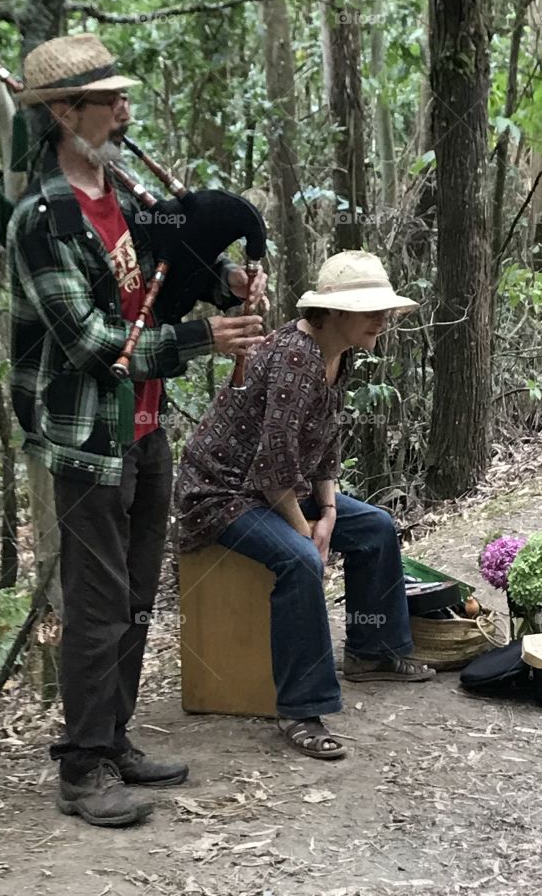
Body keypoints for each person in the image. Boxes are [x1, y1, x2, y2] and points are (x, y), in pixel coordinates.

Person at [8, 32, 265, 827]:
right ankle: (81, 768)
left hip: (142, 422)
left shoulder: (122, 194)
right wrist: (199, 341)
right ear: (62, 112)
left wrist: (225, 282)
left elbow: (163, 272)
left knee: (138, 594)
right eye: (107, 100)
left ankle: (112, 739)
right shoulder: (41, 220)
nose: (125, 111)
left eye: (123, 97)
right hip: (88, 434)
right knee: (97, 601)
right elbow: (88, 342)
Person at [174, 251, 435, 761]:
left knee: (375, 527)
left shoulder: (343, 352)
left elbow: (324, 441)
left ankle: (373, 651)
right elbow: (274, 461)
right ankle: (301, 708)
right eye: (369, 310)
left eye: (383, 310)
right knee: (298, 561)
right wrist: (305, 532)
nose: (382, 321)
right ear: (332, 313)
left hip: (275, 488)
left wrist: (330, 511)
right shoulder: (295, 356)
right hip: (221, 492)